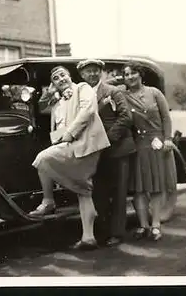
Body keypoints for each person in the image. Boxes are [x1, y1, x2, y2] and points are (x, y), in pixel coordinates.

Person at [29, 65, 111, 250]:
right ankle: (88, 238)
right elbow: (41, 108)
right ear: (54, 84)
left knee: (42, 159)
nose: (61, 79)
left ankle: (48, 201)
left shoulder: (83, 88)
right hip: (72, 147)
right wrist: (49, 93)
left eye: (63, 75)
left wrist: (71, 133)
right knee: (83, 190)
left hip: (86, 145)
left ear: (69, 76)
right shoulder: (57, 103)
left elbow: (88, 111)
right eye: (56, 78)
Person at [76, 59, 136, 247]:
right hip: (94, 152)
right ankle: (103, 231)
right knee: (99, 192)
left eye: (96, 71)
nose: (92, 74)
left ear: (101, 73)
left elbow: (126, 117)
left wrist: (107, 139)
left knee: (118, 192)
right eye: (88, 72)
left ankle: (117, 233)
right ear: (82, 75)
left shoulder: (113, 92)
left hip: (117, 149)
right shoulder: (80, 95)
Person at [123, 64, 177, 241]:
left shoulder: (154, 92)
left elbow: (165, 117)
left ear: (141, 75)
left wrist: (167, 139)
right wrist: (115, 80)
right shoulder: (123, 95)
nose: (130, 77)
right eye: (126, 74)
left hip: (156, 143)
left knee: (156, 186)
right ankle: (142, 225)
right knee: (139, 188)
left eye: (133, 73)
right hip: (137, 145)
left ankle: (155, 225)